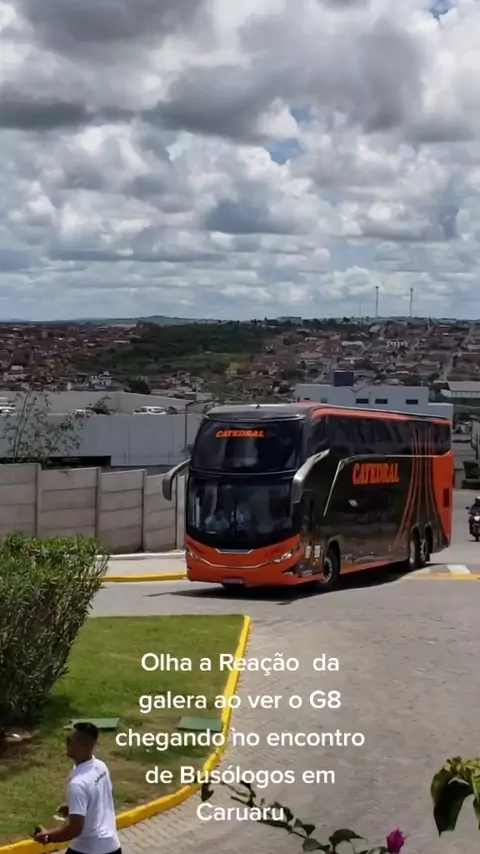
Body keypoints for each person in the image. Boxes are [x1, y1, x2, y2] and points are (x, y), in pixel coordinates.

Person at [33, 722, 121, 854]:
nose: (66, 743)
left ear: (82, 745)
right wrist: (75, 808)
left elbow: (75, 829)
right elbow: (98, 800)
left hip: (89, 850)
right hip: (113, 847)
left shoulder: (78, 784)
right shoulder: (100, 766)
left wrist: (47, 837)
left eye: (69, 740)